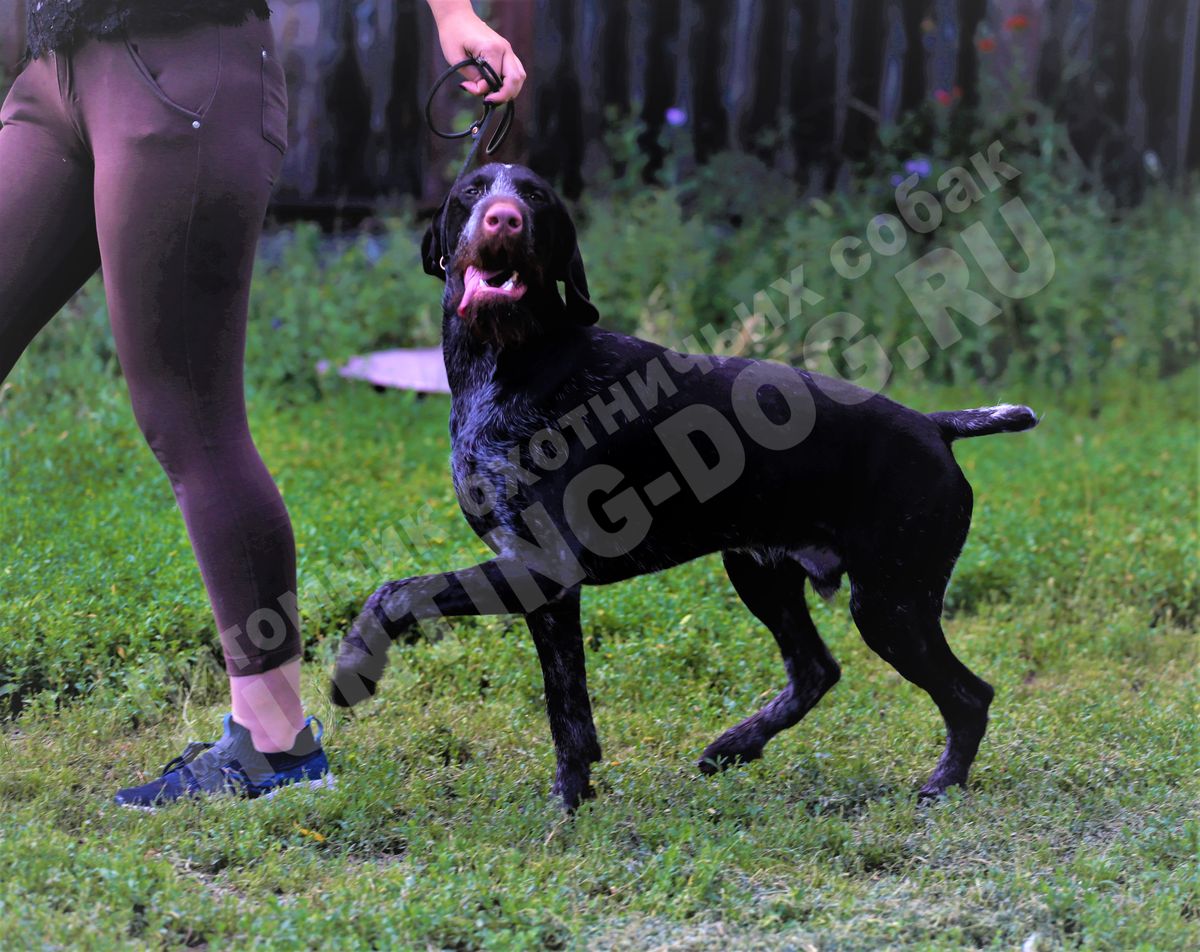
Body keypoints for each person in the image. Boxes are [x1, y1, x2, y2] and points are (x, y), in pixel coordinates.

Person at [0, 0, 525, 807]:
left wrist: (453, 14)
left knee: (190, 418)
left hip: (180, 75)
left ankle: (274, 744)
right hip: (56, 67)